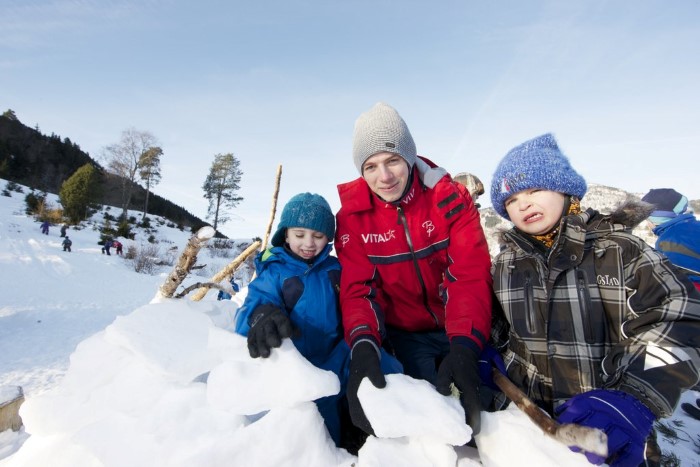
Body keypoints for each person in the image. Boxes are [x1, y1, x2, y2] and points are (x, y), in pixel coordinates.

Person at [486, 133, 700, 466]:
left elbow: (681, 322)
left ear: (564, 189)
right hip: (531, 429)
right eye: (511, 200)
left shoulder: (619, 251)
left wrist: (637, 397)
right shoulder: (506, 263)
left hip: (613, 427)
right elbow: (500, 327)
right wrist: (488, 351)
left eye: (534, 190)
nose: (523, 203)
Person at [335, 102, 493, 438]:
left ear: (409, 157)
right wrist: (364, 346)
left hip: (462, 323)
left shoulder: (448, 200)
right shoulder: (352, 218)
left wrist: (464, 345)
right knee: (430, 422)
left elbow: (468, 274)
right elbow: (359, 290)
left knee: (485, 411)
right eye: (371, 166)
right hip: (407, 334)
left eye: (392, 160)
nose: (385, 176)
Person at [234, 193, 399, 448]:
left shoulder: (336, 269)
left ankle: (394, 435)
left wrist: (378, 335)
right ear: (285, 234)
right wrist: (261, 316)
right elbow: (251, 306)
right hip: (304, 368)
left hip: (340, 354)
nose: (309, 243)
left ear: (329, 238)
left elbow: (360, 300)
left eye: (318, 236)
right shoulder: (275, 272)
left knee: (388, 372)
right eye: (299, 235)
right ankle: (338, 446)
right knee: (320, 433)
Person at [641, 188, 700, 290]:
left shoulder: (669, 241)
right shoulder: (695, 227)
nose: (647, 223)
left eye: (647, 219)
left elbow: (676, 282)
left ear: (657, 218)